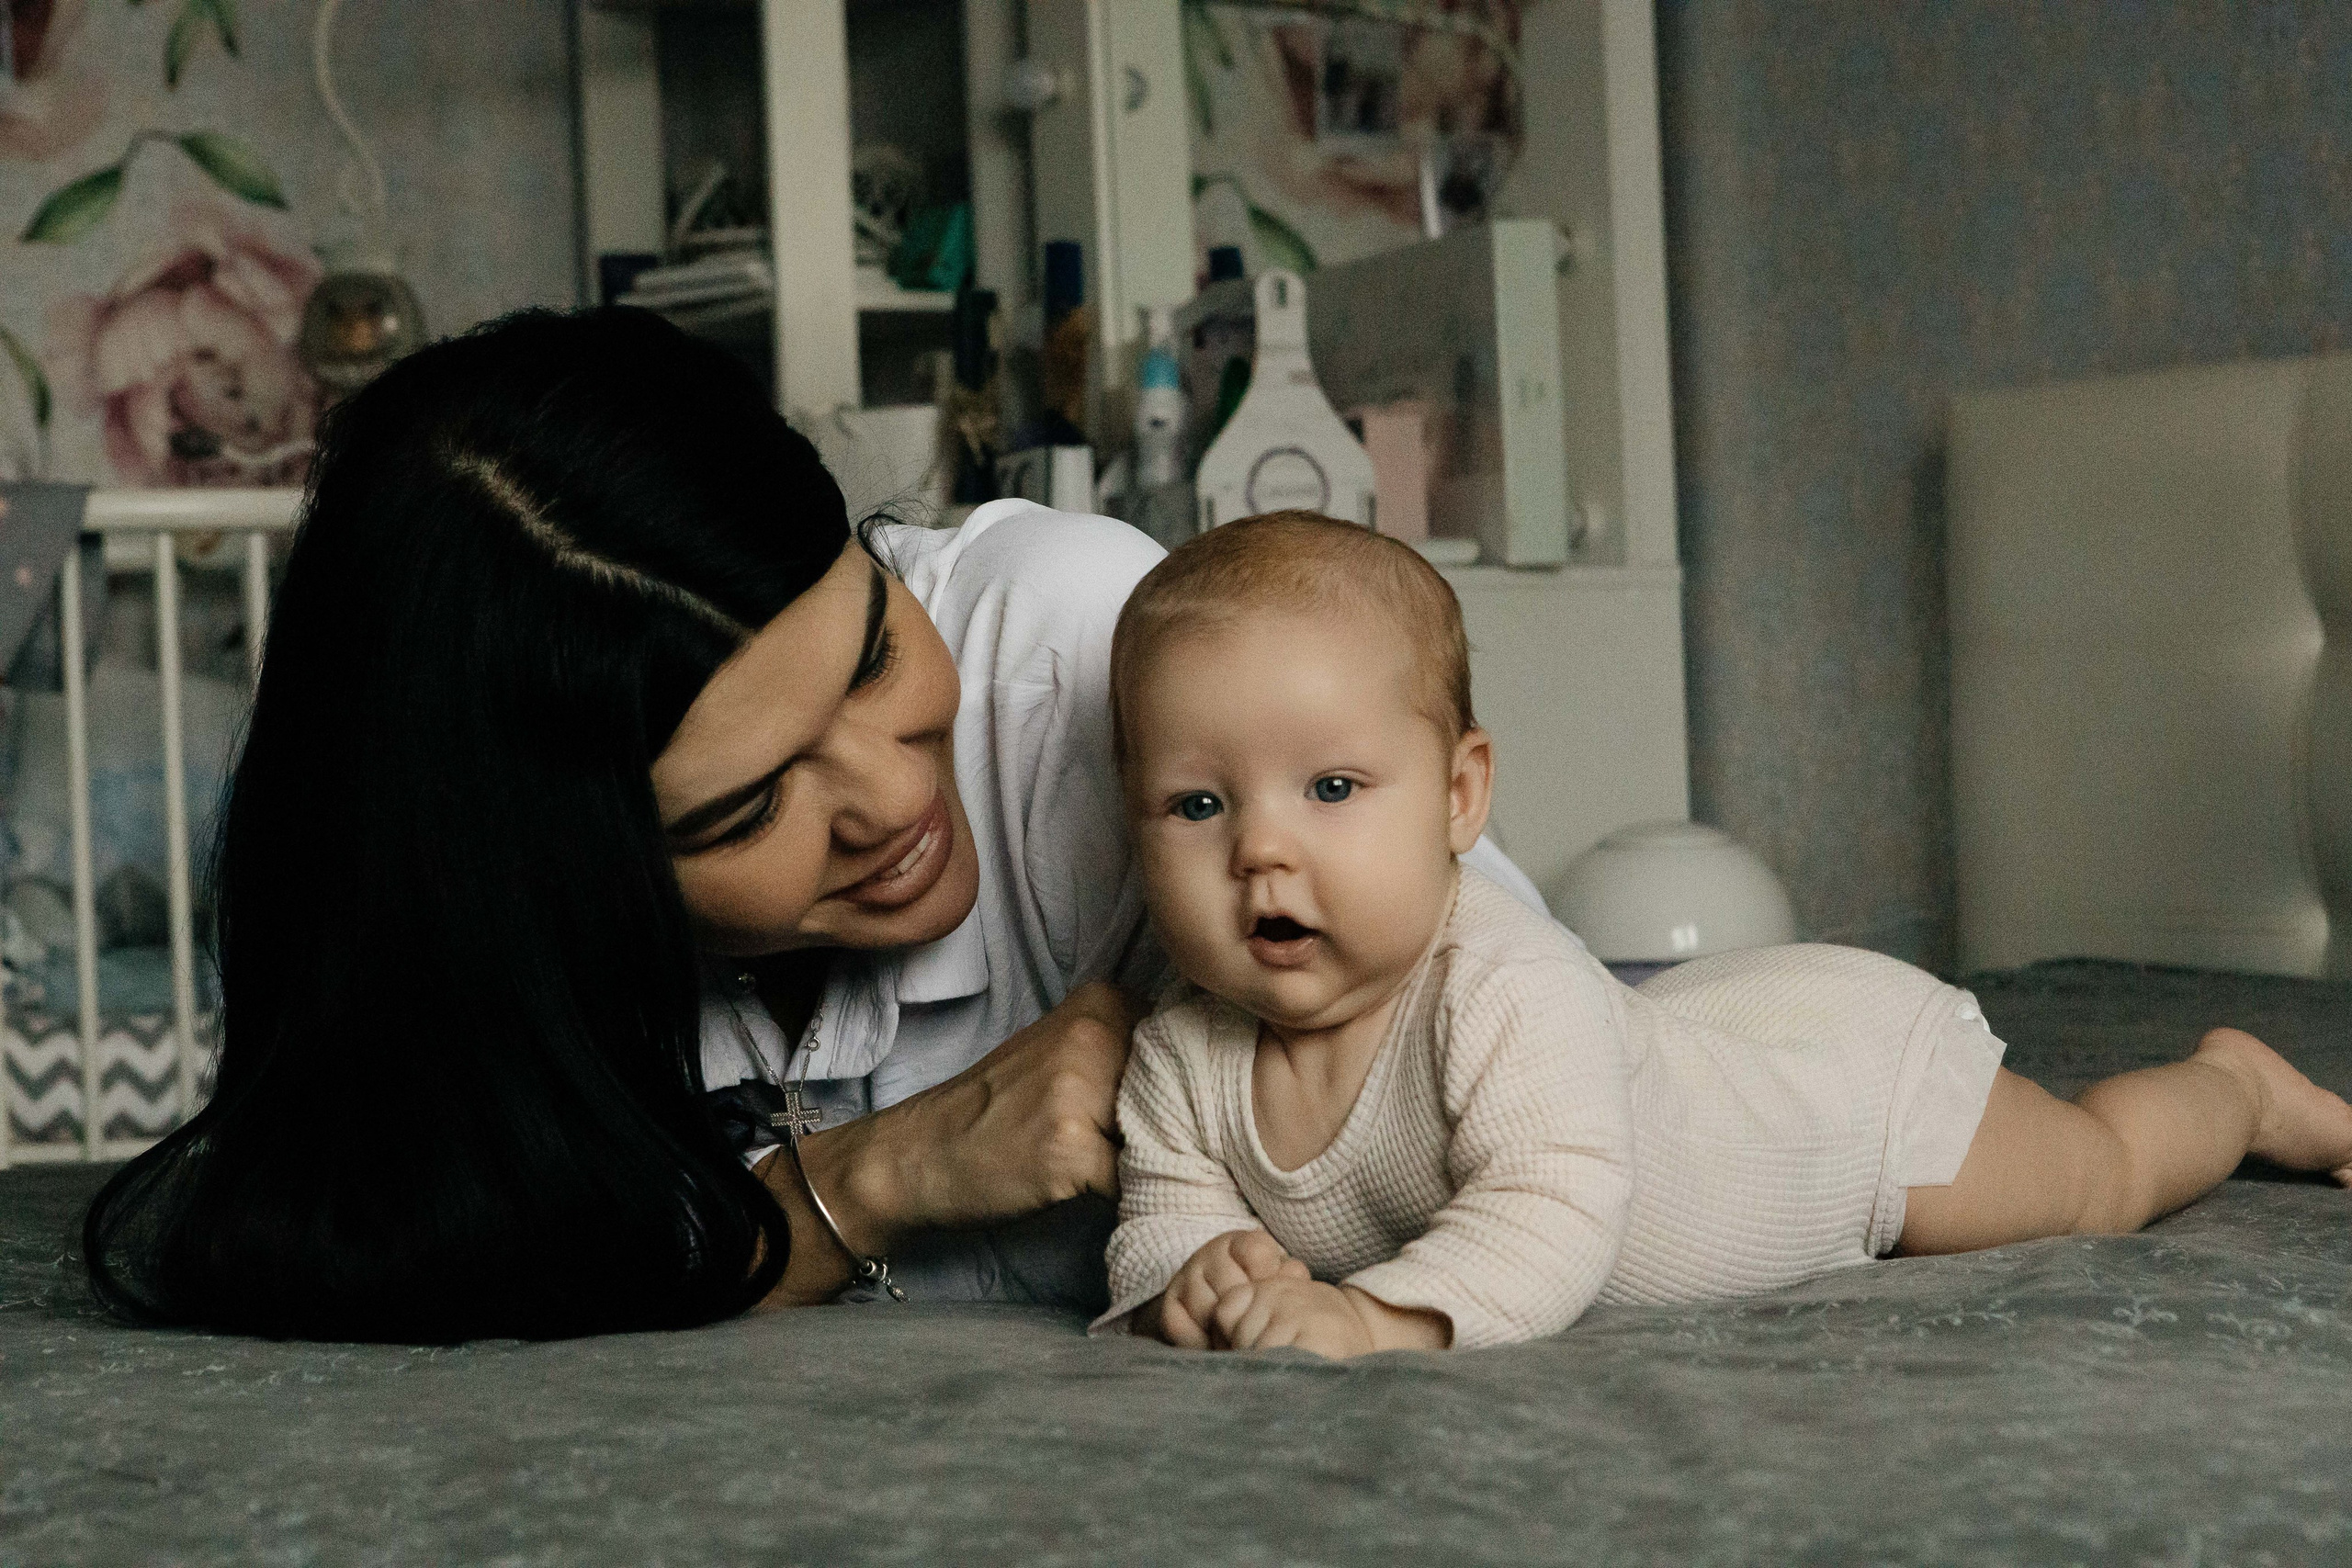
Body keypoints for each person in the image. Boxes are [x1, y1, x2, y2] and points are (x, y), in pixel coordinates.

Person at [76, 307, 1542, 1343]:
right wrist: (877, 1177)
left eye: (870, 654)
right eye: (754, 804)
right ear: (562, 889)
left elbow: (1533, 1025)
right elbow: (368, 1236)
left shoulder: (1095, 655)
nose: (899, 798)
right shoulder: (488, 973)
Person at [1092, 512, 2352, 1358]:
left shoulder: (1499, 987)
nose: (1262, 849)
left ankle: (2235, 1088)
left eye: (1330, 790)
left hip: (1845, 1112)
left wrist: (1378, 1324)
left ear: (1461, 796)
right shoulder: (1182, 1050)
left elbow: (1551, 1216)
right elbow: (1158, 1212)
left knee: (2094, 1183)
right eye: (1198, 804)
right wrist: (1192, 1274)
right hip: (1696, 1032)